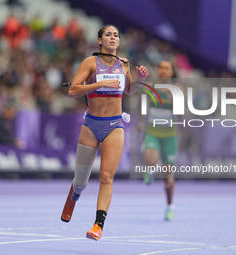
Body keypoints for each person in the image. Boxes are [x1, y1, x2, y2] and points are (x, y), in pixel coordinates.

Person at [61, 25, 148, 240]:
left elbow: (129, 90)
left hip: (115, 126)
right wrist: (98, 84)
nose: (112, 37)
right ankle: (75, 194)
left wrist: (140, 80)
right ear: (100, 40)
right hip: (91, 126)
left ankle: (98, 225)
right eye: (108, 34)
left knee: (107, 177)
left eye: (116, 35)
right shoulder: (90, 63)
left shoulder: (124, 64)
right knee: (81, 180)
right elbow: (72, 90)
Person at [138, 60, 179, 221]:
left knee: (168, 178)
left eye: (166, 68)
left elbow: (183, 114)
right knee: (150, 157)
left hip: (170, 136)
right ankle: (150, 170)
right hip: (152, 132)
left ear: (172, 72)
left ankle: (170, 206)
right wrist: (141, 121)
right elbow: (142, 105)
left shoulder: (178, 90)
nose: (163, 70)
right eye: (160, 67)